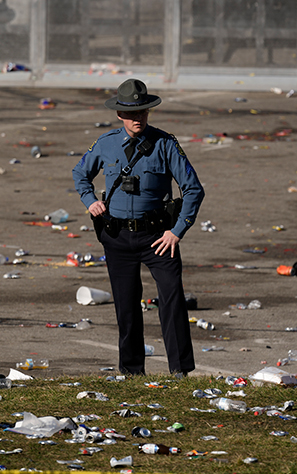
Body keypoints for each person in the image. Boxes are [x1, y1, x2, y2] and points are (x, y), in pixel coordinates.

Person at [72, 79, 205, 376]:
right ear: (119, 114)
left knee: (172, 300)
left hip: (159, 237)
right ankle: (132, 372)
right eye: (131, 113)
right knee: (126, 306)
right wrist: (89, 200)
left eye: (143, 112)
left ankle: (180, 370)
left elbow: (193, 189)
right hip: (117, 237)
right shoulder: (105, 144)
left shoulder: (165, 144)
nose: (138, 119)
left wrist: (178, 231)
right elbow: (80, 173)